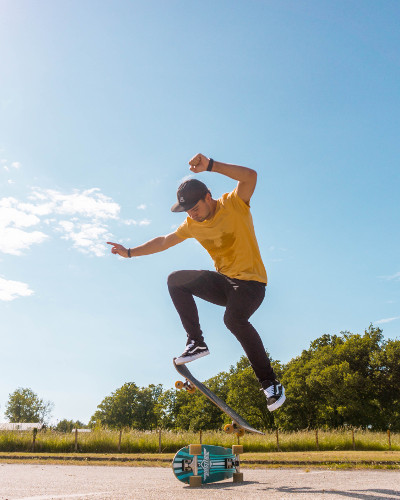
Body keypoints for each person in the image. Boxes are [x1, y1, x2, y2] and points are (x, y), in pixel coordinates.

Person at [107, 153, 285, 411]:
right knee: (175, 280)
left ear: (208, 197)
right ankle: (196, 342)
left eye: (196, 208)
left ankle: (270, 383)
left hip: (251, 285)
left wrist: (211, 165)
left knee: (233, 320)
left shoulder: (234, 203)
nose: (194, 214)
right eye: (189, 211)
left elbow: (250, 177)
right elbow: (165, 241)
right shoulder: (192, 224)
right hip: (225, 284)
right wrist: (130, 252)